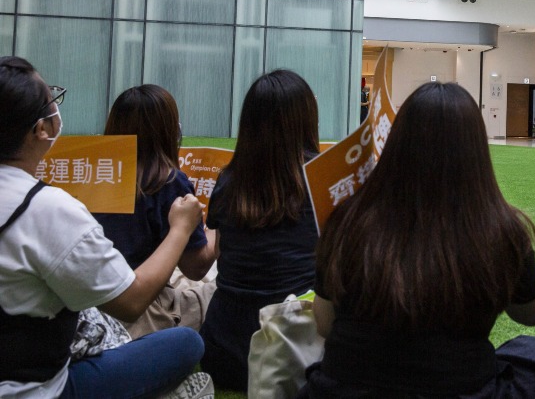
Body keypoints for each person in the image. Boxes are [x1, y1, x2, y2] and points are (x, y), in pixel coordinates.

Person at [305, 82, 535, 398]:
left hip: (344, 389)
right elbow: (533, 313)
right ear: (476, 152)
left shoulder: (348, 218)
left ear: (396, 143)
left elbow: (325, 324)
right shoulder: (499, 228)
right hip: (461, 388)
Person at [0, 56, 211, 398]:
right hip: (32, 387)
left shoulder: (65, 193)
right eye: (51, 99)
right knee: (186, 342)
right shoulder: (48, 208)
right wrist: (181, 229)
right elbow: (130, 302)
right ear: (42, 128)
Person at [201, 70, 322, 391]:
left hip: (224, 349)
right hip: (298, 351)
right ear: (308, 119)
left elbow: (221, 253)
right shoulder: (323, 180)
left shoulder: (228, 181)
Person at [94, 85, 218, 338]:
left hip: (92, 305)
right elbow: (196, 266)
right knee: (219, 288)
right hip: (142, 312)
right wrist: (223, 219)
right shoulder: (168, 182)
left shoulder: (94, 176)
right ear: (168, 130)